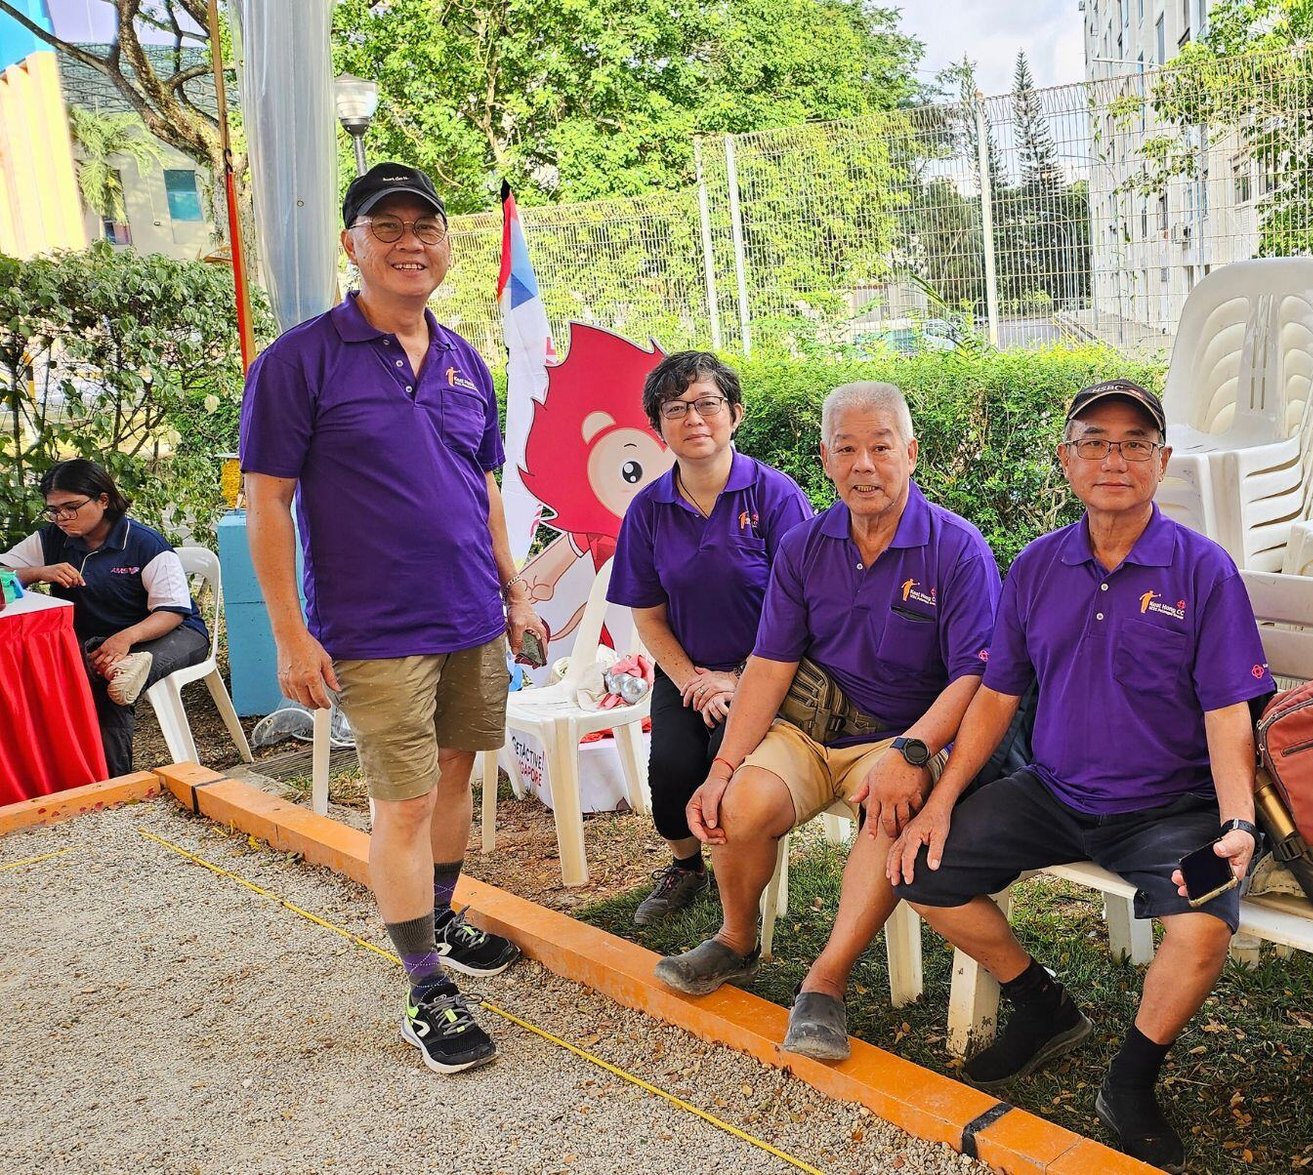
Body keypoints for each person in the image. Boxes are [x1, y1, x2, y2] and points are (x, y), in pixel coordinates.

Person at [888, 379, 1273, 1171]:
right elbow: (997, 696)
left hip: (1170, 807)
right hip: (1053, 792)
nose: (1114, 458)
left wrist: (1237, 822)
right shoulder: (1036, 567)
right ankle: (1041, 1000)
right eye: (1095, 441)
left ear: (1162, 462)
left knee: (1201, 926)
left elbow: (1229, 711)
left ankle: (1129, 1081)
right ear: (1067, 462)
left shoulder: (1203, 571)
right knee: (919, 867)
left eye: (1135, 443)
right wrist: (942, 801)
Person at [239, 162, 544, 1075]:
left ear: (446, 246)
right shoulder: (299, 360)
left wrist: (514, 587)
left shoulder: (462, 358)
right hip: (374, 633)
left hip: (470, 616)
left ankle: (440, 918)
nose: (411, 241)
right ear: (354, 244)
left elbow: (481, 483)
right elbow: (268, 503)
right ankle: (426, 988)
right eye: (388, 226)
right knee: (403, 802)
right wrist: (291, 634)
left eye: (427, 226)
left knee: (454, 778)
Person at [654, 381, 998, 1066]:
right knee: (740, 802)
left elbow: (975, 677)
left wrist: (914, 748)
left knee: (886, 807)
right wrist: (721, 767)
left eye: (880, 447)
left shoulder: (958, 550)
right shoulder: (807, 545)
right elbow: (771, 664)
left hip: (903, 735)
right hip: (811, 729)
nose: (863, 464)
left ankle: (826, 979)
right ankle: (735, 938)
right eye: (847, 448)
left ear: (912, 452)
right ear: (825, 458)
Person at [607, 351, 812, 927]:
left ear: (735, 415)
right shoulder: (649, 509)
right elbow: (648, 615)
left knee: (730, 766)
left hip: (773, 671)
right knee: (671, 770)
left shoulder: (775, 496)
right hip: (688, 673)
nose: (693, 419)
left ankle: (738, 885)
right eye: (676, 409)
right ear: (659, 426)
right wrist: (695, 680)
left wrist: (742, 678)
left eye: (707, 404)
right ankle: (685, 866)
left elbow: (804, 606)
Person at [1, 460, 210, 777]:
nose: (62, 518)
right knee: (64, 676)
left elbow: (171, 611)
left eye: (71, 507)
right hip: (96, 639)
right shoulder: (51, 541)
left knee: (113, 684)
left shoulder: (144, 544)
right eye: (54, 510)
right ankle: (73, 775)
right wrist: (36, 572)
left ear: (103, 500)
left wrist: (125, 639)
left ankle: (115, 781)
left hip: (171, 632)